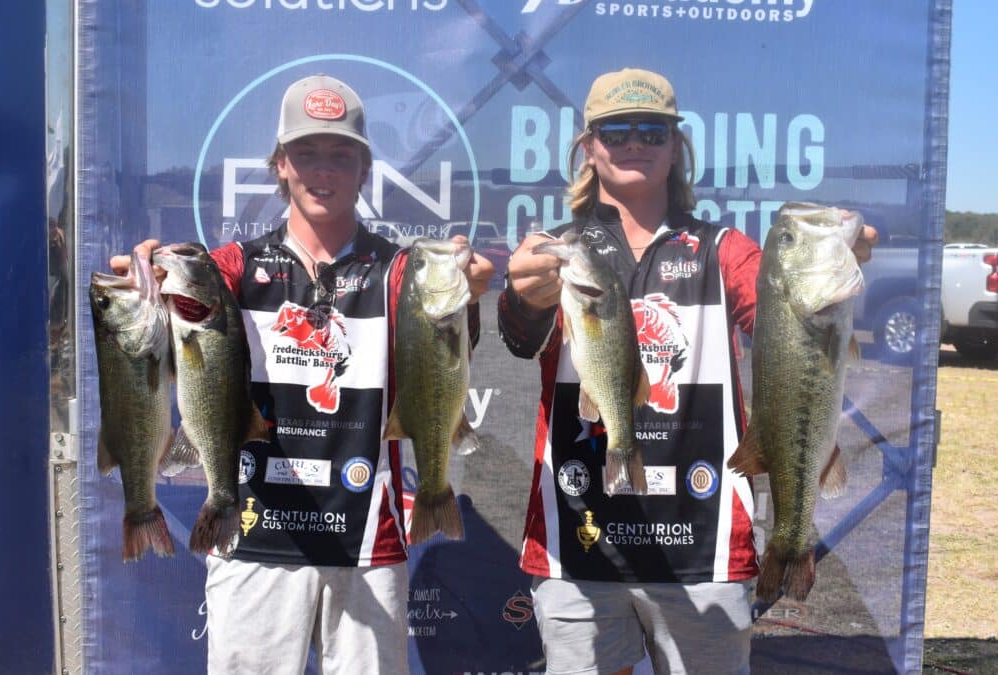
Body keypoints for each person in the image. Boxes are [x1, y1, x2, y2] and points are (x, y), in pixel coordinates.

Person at [498, 67, 877, 675]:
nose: (634, 142)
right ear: (588, 147)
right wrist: (523, 297)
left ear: (677, 147)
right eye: (615, 129)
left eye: (652, 130)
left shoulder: (725, 250)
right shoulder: (556, 251)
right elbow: (519, 337)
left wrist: (833, 266)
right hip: (580, 544)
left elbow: (791, 314)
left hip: (701, 545)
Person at [112, 74, 494, 674]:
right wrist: (144, 285)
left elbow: (442, 359)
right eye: (306, 153)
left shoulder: (401, 273)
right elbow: (169, 325)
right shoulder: (230, 268)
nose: (323, 170)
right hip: (252, 536)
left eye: (341, 154)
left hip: (369, 538)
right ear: (280, 166)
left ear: (365, 168)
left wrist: (465, 297)